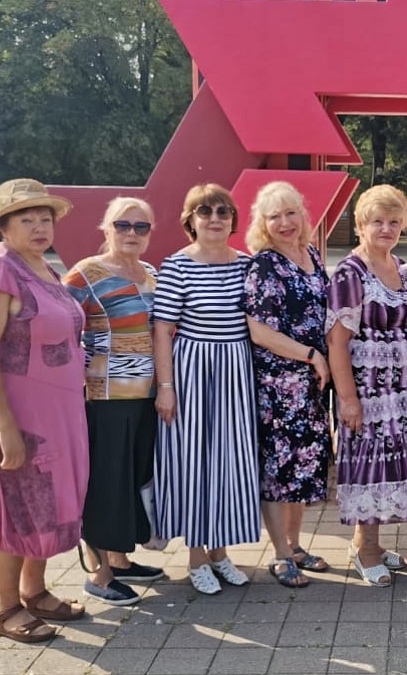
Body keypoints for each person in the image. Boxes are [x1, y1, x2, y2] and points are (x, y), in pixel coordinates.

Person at [0, 179, 87, 644]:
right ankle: (6, 607)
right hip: (18, 413)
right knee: (17, 505)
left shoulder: (42, 266)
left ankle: (34, 591)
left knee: (48, 502)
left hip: (57, 411)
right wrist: (6, 428)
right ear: (3, 226)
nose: (39, 227)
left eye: (45, 218)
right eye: (26, 219)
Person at [327, 184, 407, 587]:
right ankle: (367, 551)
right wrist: (348, 399)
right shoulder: (350, 273)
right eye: (378, 222)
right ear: (361, 225)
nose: (387, 228)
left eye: (394, 221)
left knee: (389, 465)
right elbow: (336, 341)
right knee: (369, 467)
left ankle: (366, 542)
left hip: (400, 390)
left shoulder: (402, 268)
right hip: (368, 390)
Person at [152, 184, 258, 595]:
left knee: (228, 461)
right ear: (190, 220)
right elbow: (163, 330)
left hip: (235, 371)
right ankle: (196, 556)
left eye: (222, 211)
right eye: (205, 211)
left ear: (233, 219)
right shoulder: (177, 265)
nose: (215, 218)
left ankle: (220, 552)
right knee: (195, 461)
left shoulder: (246, 265)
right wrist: (166, 387)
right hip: (193, 370)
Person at [63, 197, 166, 607]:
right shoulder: (86, 274)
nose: (131, 233)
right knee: (105, 481)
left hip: (147, 395)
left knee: (131, 479)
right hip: (104, 397)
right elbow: (61, 326)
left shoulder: (152, 274)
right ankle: (99, 574)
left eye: (141, 227)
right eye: (123, 225)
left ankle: (120, 561)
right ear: (106, 228)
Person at [243, 181, 332, 589]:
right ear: (263, 223)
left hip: (312, 386)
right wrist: (311, 355)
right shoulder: (264, 265)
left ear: (303, 215)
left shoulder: (310, 254)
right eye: (274, 216)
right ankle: (280, 554)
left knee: (303, 467)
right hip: (279, 386)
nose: (284, 222)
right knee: (279, 470)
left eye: (290, 212)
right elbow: (259, 331)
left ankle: (296, 546)